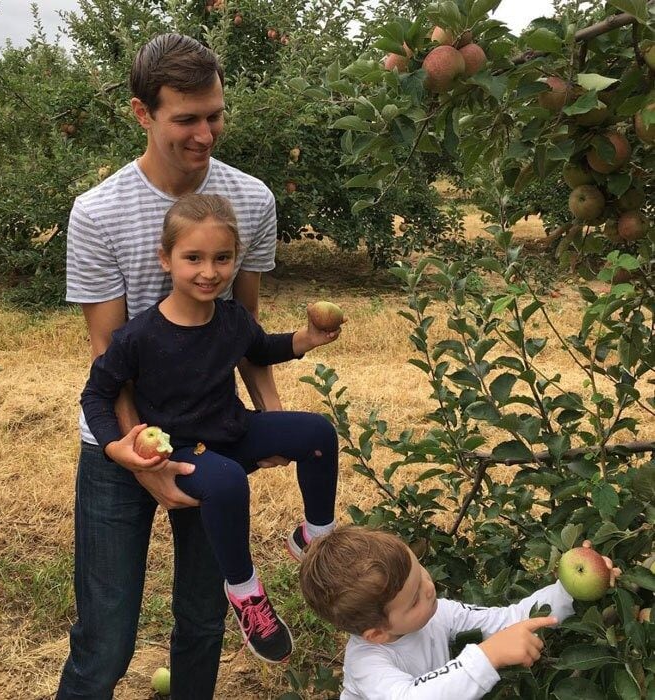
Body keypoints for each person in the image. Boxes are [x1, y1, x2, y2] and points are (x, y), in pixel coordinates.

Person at [59, 33, 292, 699]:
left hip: (211, 436)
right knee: (105, 638)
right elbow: (109, 361)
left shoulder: (250, 201)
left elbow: (244, 336)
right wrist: (142, 455)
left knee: (202, 619)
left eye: (215, 114)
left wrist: (270, 422)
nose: (205, 134)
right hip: (119, 443)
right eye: (185, 119)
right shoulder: (99, 213)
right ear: (143, 113)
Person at [80, 193, 340, 665]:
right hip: (180, 447)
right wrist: (117, 445)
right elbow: (96, 394)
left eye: (222, 258)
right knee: (225, 481)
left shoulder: (232, 318)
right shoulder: (139, 335)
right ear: (166, 259)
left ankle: (316, 536)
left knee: (317, 433)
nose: (209, 271)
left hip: (231, 429)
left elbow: (260, 348)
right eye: (193, 258)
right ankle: (245, 592)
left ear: (235, 260)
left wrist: (305, 340)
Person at [299, 526, 621, 700]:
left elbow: (505, 620)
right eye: (413, 600)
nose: (428, 587)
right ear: (377, 633)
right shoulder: (367, 662)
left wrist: (568, 589)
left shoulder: (439, 613)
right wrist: (486, 657)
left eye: (420, 570)